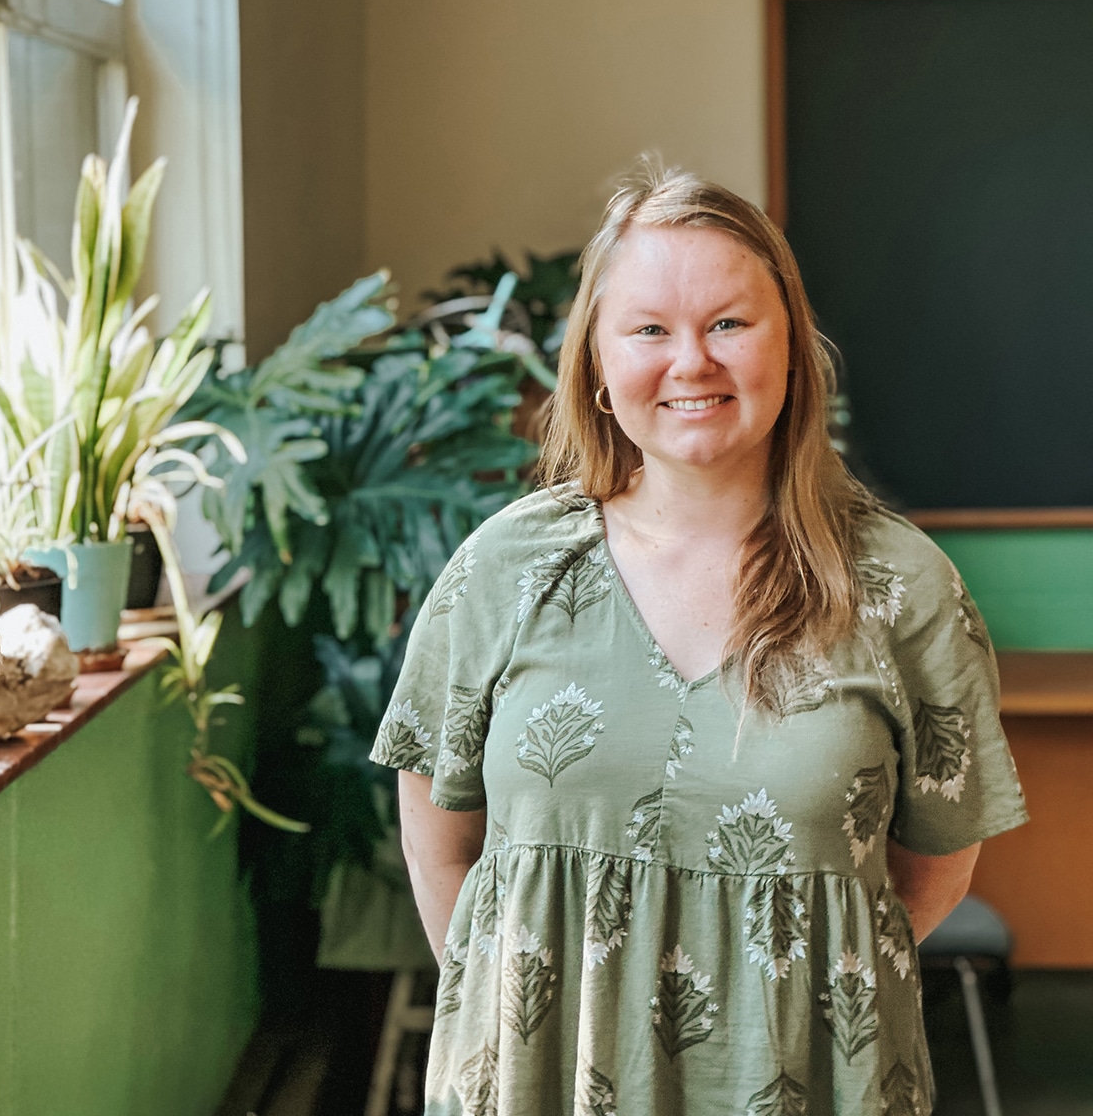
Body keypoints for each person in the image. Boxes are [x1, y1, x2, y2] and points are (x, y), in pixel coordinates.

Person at [370, 161, 1028, 1115]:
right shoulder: (504, 569)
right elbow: (439, 836)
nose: (691, 362)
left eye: (729, 323)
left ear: (792, 347)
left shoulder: (902, 587)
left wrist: (788, 990)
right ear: (596, 362)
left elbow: (931, 870)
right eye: (648, 329)